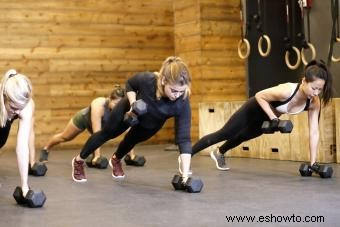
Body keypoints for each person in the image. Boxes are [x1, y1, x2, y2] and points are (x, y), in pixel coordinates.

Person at [191, 60, 333, 171]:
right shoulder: (286, 91)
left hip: (267, 118)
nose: (316, 93)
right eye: (314, 88)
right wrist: (274, 118)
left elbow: (314, 132)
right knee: (226, 133)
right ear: (303, 81)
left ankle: (219, 152)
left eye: (320, 90)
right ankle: (186, 155)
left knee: (243, 136)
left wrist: (313, 161)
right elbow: (259, 95)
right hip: (253, 109)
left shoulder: (314, 102)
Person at [71, 56, 193, 184]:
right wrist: (133, 104)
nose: (177, 95)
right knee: (107, 134)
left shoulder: (182, 102)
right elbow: (130, 84)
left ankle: (116, 159)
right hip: (128, 110)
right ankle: (78, 161)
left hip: (151, 123)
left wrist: (185, 177)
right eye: (174, 90)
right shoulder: (148, 80)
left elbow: (184, 139)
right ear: (163, 80)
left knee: (132, 139)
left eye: (181, 91)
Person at [39, 85, 145, 167]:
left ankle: (95, 155)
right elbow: (97, 132)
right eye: (115, 104)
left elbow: (129, 132)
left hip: (102, 125)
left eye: (119, 105)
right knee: (65, 137)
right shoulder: (98, 104)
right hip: (84, 119)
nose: (117, 107)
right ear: (109, 99)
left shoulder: (123, 108)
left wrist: (132, 155)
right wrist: (98, 157)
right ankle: (46, 149)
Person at [0, 69, 42, 199]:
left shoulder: (27, 106)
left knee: (1, 140)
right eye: (13, 107)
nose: (18, 112)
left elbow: (22, 146)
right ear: (4, 98)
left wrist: (25, 187)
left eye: (20, 108)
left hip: (3, 120)